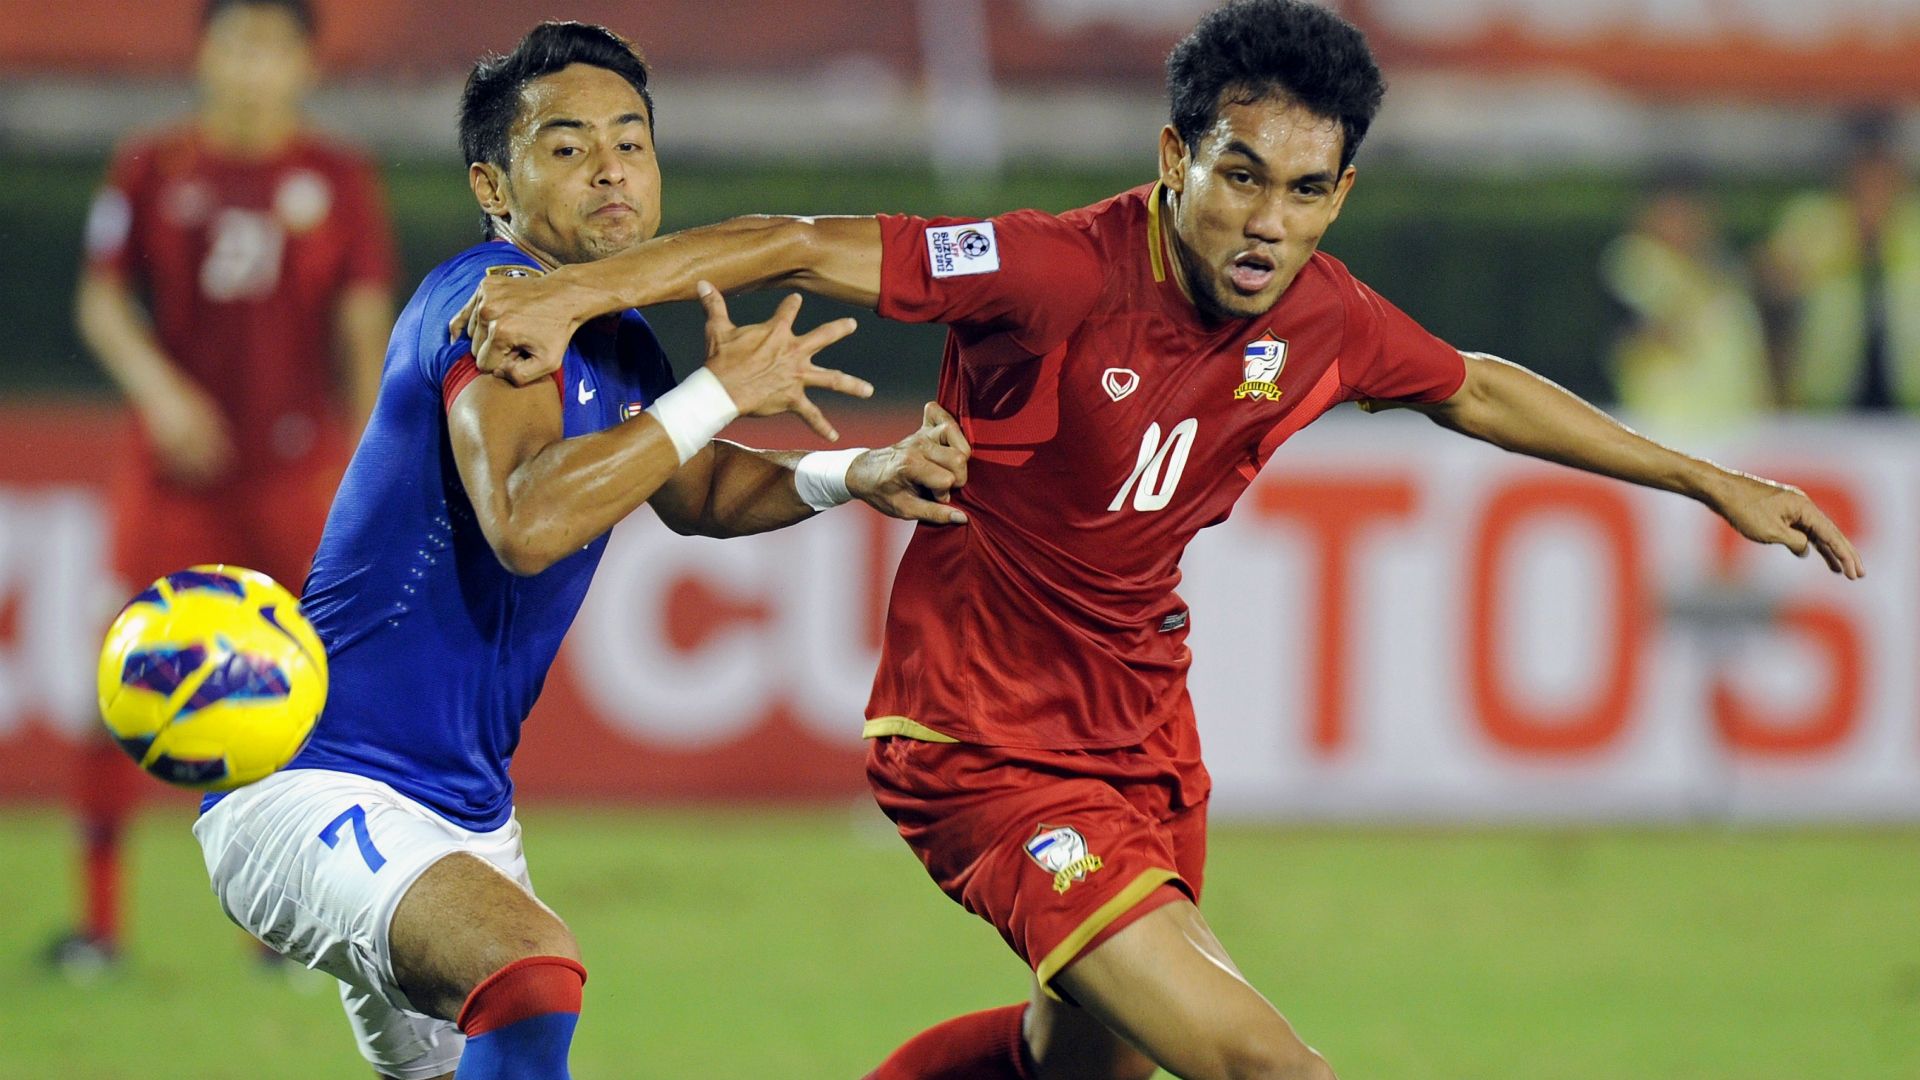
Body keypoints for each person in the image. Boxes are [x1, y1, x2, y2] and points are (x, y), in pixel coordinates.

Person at [455, 3, 1863, 1076]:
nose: (1267, 224)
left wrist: (1704, 481)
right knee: (1267, 1063)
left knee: (1078, 1061)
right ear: (1175, 155)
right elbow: (792, 239)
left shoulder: (1329, 313)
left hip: (1143, 738)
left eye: (1308, 192)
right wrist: (584, 299)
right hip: (981, 744)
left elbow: (1475, 384)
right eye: (1241, 177)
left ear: (1343, 194)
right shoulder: (1053, 268)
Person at [189, 21, 969, 1080]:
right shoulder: (495, 305)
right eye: (565, 147)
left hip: (464, 811)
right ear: (494, 186)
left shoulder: (612, 336)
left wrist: (854, 475)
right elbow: (527, 523)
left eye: (631, 141)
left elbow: (692, 493)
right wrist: (717, 390)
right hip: (317, 779)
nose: (611, 168)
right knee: (529, 969)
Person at [60, 0, 397, 976]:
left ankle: (279, 928)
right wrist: (160, 392)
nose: (252, 66)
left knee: (307, 695)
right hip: (177, 473)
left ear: (304, 67)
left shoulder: (336, 176)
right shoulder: (153, 165)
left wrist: (374, 469)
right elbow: (101, 296)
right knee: (122, 679)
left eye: (272, 47)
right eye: (236, 42)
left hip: (296, 473)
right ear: (205, 55)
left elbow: (361, 327)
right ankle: (98, 923)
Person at [1761, 113, 1920, 411]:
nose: (1873, 185)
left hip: (1909, 400)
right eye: (1865, 172)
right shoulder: (1814, 220)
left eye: (1882, 173)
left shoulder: (1913, 225)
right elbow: (1772, 283)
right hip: (1829, 395)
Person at [1600, 176, 1774, 439]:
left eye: (1690, 214)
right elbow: (1661, 323)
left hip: (1736, 426)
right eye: (1671, 215)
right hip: (1665, 427)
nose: (1684, 225)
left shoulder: (1722, 276)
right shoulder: (1635, 262)